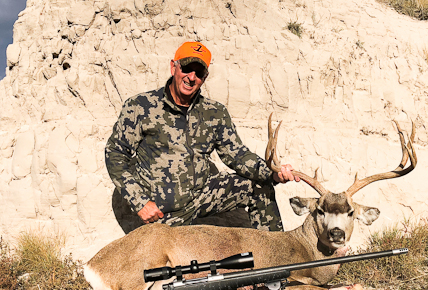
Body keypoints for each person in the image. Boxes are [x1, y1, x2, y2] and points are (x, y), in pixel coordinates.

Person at [105, 41, 299, 231]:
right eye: (187, 68)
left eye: (199, 73)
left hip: (203, 197)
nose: (191, 77)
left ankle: (274, 255)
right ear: (173, 67)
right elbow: (115, 153)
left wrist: (272, 172)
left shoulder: (214, 112)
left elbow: (237, 155)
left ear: (204, 78)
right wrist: (139, 201)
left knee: (260, 186)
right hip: (163, 211)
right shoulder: (140, 106)